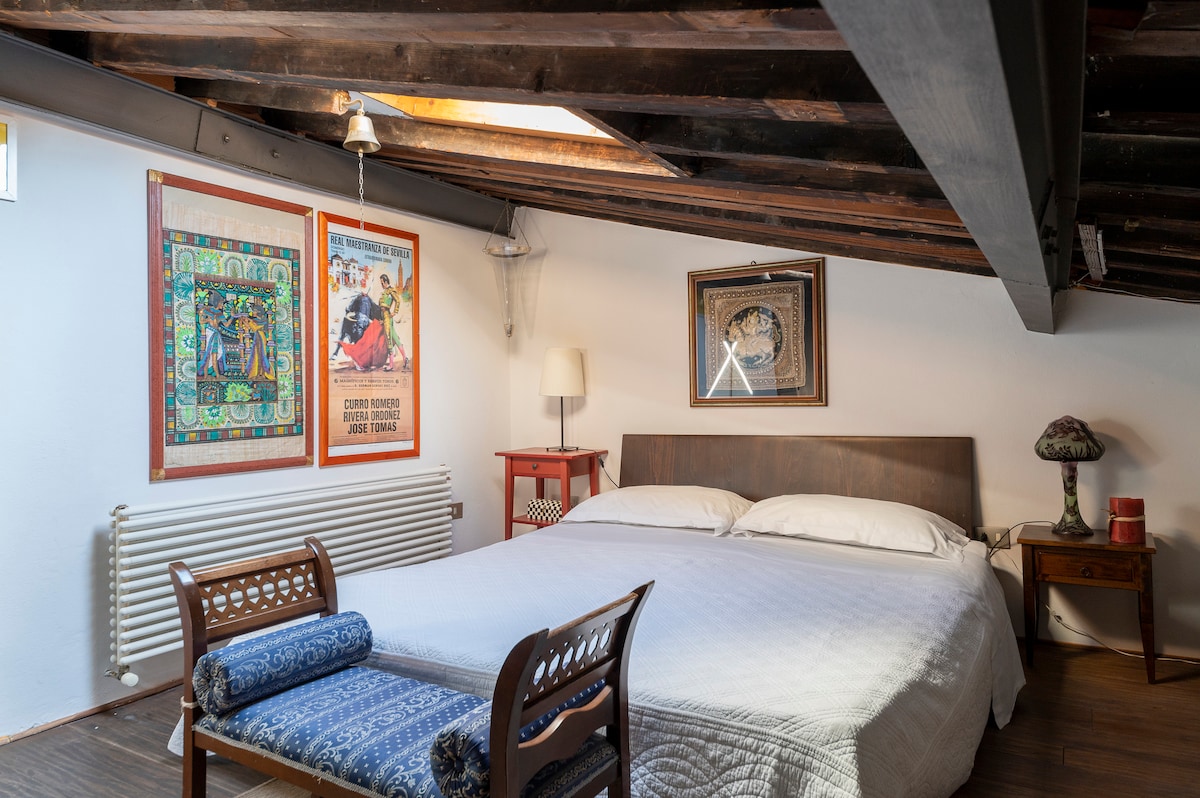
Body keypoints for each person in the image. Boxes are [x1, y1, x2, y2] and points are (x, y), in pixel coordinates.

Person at [377, 272, 410, 372]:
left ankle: (391, 365)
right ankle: (405, 358)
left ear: (385, 282)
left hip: (387, 316)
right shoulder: (384, 292)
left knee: (388, 339)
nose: (381, 284)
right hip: (384, 316)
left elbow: (398, 300)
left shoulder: (391, 290)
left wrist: (395, 312)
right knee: (394, 337)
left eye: (382, 282)